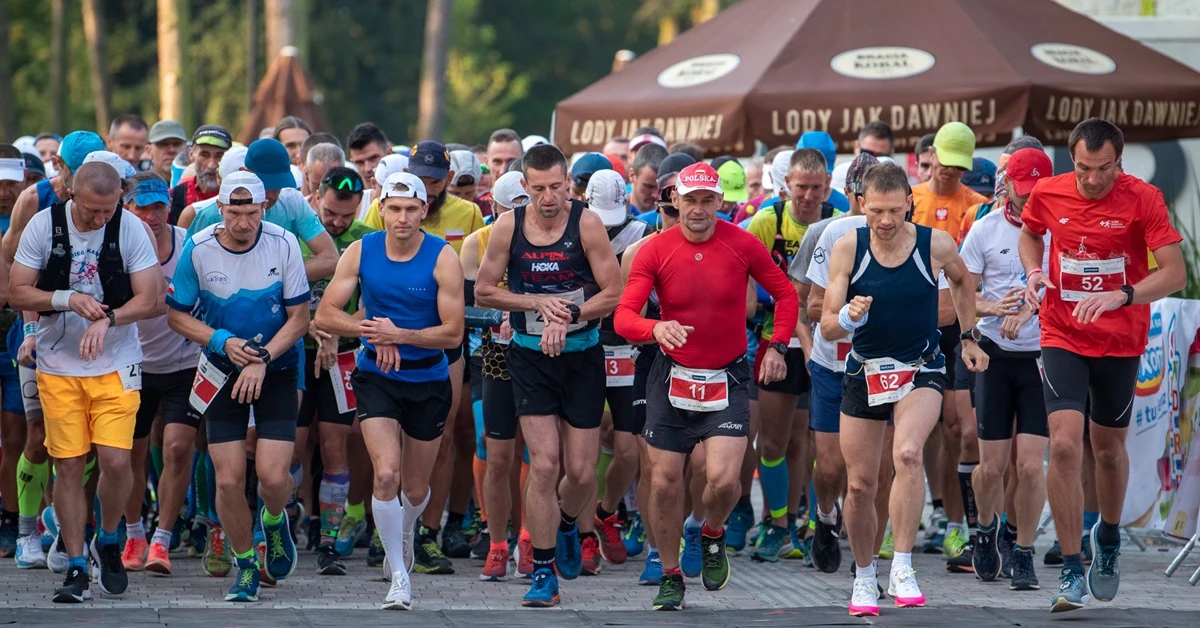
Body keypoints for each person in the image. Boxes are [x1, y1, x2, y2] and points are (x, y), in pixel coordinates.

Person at [614, 161, 799, 610]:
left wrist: (776, 346)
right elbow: (624, 317)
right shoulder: (654, 250)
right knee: (664, 481)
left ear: (721, 202)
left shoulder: (743, 244)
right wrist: (655, 329)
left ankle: (712, 531)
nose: (698, 210)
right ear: (674, 201)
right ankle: (671, 573)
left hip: (728, 375)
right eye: (689, 201)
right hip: (672, 375)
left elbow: (787, 294)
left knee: (723, 480)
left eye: (707, 201)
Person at [1019, 118, 1185, 612]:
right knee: (1065, 446)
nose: (1093, 180)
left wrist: (1123, 295)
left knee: (1107, 450)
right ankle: (1072, 567)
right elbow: (1030, 234)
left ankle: (1107, 542)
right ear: (1072, 159)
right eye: (1084, 168)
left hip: (1119, 340)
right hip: (1062, 332)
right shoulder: (1049, 192)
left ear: (1121, 160)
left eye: (1104, 169)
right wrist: (1033, 270)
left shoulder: (1144, 198)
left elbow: (1174, 273)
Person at [820, 162, 986, 617]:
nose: (887, 221)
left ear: (910, 204)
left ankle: (904, 566)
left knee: (909, 454)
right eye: (876, 211)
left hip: (921, 368)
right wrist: (850, 317)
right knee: (859, 485)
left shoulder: (935, 244)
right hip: (865, 370)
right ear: (861, 205)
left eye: (895, 210)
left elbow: (962, 280)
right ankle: (863, 575)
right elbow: (828, 325)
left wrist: (969, 337)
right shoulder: (847, 248)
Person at [475, 144, 623, 608]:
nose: (549, 197)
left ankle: (562, 524)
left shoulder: (587, 224)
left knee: (579, 472)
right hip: (528, 356)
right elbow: (482, 290)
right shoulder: (508, 226)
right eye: (539, 189)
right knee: (544, 464)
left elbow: (615, 292)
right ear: (524, 187)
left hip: (581, 356)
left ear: (569, 185)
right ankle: (542, 571)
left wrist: (571, 313)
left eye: (557, 187)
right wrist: (535, 304)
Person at [9, 161, 163, 602]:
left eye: (109, 210)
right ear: (71, 195)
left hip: (116, 361)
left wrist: (110, 318)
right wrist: (68, 299)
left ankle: (109, 539)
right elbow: (18, 291)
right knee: (69, 464)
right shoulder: (44, 226)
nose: (101, 220)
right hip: (58, 363)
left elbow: (151, 300)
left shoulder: (130, 227)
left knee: (116, 462)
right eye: (92, 211)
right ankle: (77, 567)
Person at [315, 171, 465, 610]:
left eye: (410, 209)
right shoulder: (360, 251)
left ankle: (404, 534)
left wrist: (401, 336)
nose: (401, 218)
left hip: (428, 379)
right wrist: (372, 334)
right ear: (381, 209)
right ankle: (399, 575)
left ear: (424, 211)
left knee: (415, 490)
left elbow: (453, 334)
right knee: (385, 474)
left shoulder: (443, 257)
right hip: (376, 375)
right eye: (393, 209)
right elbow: (326, 314)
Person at [166, 171, 310, 602]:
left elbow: (300, 318)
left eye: (252, 212)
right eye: (235, 213)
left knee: (272, 475)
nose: (244, 222)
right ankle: (246, 566)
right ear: (219, 208)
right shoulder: (199, 247)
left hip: (278, 366)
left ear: (263, 208)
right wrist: (221, 341)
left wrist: (262, 359)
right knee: (227, 481)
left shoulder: (283, 243)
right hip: (220, 369)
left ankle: (273, 518)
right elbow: (176, 315)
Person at [957, 148, 1054, 590]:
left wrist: (1032, 309)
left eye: (1038, 192)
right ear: (1007, 185)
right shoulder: (984, 229)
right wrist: (993, 307)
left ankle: (1024, 550)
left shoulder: (1060, 232)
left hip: (1042, 357)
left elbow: (1068, 291)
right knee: (991, 467)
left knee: (1032, 466)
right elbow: (962, 295)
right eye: (1023, 191)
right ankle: (986, 529)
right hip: (995, 355)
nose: (1029, 200)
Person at [788, 152, 879, 575]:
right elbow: (805, 302)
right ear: (852, 194)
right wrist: (807, 347)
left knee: (876, 465)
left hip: (881, 364)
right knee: (830, 465)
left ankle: (870, 556)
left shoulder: (907, 234)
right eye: (868, 196)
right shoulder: (826, 232)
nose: (877, 207)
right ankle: (825, 516)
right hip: (831, 363)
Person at [745, 149, 834, 562]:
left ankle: (812, 524)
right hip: (776, 341)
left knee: (812, 442)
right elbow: (747, 279)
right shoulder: (768, 220)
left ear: (827, 187)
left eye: (816, 188)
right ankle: (777, 524)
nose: (808, 196)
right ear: (787, 186)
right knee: (774, 442)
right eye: (801, 187)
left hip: (827, 343)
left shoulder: (839, 219)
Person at [298, 167, 376, 575]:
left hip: (343, 353)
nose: (338, 222)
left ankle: (330, 538)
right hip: (296, 350)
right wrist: (313, 325)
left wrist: (336, 328)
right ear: (316, 195)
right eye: (330, 212)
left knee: (335, 444)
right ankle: (280, 524)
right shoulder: (296, 230)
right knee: (290, 445)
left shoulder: (366, 238)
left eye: (347, 215)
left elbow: (376, 304)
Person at [460, 171, 528, 581]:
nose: (519, 218)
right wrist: (497, 317)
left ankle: (529, 538)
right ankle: (494, 533)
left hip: (540, 355)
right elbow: (464, 308)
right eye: (511, 210)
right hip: (493, 355)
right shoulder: (477, 242)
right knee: (491, 445)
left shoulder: (548, 238)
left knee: (539, 452)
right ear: (495, 210)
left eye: (525, 208)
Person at [586, 168, 652, 570]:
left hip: (628, 347)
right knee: (584, 449)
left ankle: (605, 512)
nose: (608, 231)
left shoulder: (641, 233)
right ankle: (580, 535)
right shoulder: (576, 226)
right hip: (587, 346)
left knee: (629, 451)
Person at [0, 146, 31, 560]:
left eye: (11, 183)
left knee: (17, 437)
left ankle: (12, 520)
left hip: (17, 338)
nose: (4, 192)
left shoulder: (33, 221)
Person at [169, 125, 233, 225]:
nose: (212, 165)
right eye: (204, 155)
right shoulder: (173, 197)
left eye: (219, 156)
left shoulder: (238, 198)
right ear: (191, 155)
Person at [347, 123, 392, 190]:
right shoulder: (351, 199)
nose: (367, 169)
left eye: (373, 158)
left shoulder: (412, 191)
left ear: (389, 153)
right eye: (359, 162)